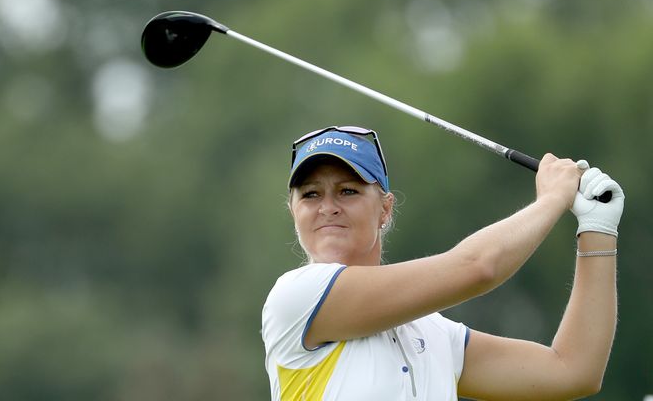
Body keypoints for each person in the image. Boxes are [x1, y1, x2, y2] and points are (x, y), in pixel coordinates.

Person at [261, 126, 624, 400]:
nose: (328, 207)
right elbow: (478, 267)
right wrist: (554, 198)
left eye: (348, 190)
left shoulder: (433, 336)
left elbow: (573, 370)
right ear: (293, 210)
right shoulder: (296, 297)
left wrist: (598, 229)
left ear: (385, 208)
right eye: (310, 195)